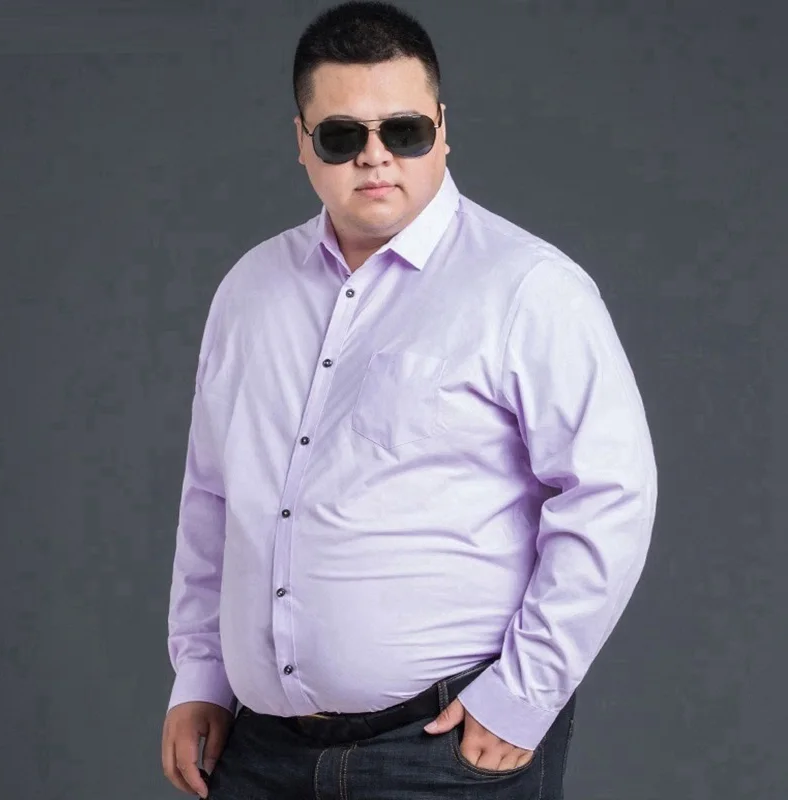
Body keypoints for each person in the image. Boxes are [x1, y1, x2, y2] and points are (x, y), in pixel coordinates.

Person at [160, 2, 658, 798]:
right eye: (341, 135)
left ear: (442, 129)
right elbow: (214, 498)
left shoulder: (528, 288)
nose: (375, 156)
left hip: (440, 753)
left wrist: (524, 696)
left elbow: (610, 495)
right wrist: (201, 676)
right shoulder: (249, 290)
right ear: (302, 141)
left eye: (404, 130)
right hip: (257, 753)